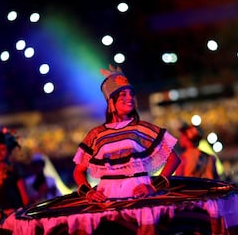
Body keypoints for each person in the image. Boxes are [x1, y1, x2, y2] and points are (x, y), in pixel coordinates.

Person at [73, 64, 181, 202]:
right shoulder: (96, 135)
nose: (130, 98)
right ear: (111, 101)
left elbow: (174, 159)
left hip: (139, 195)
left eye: (131, 94)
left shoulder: (142, 129)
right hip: (106, 198)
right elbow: (78, 171)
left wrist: (153, 187)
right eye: (123, 94)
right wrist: (89, 193)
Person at [0, 128, 29, 216]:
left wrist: (19, 213)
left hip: (14, 216)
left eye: (3, 149)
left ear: (9, 151)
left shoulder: (15, 169)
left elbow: (25, 198)